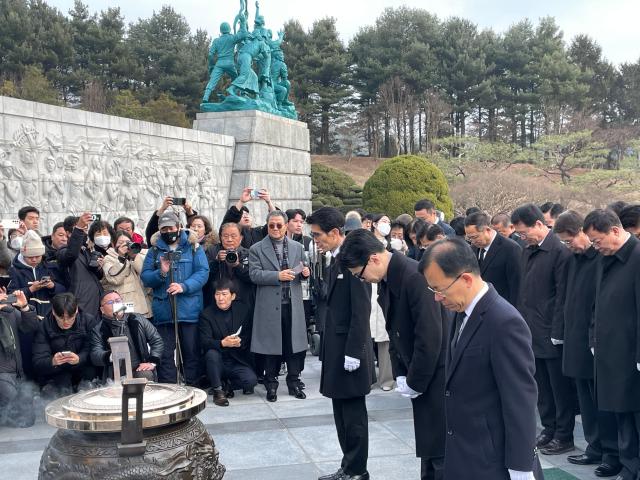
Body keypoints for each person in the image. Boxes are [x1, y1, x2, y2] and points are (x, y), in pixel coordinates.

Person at [421, 238, 541, 480]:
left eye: (439, 289)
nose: (437, 298)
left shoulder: (504, 322)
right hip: (464, 451)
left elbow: (520, 400)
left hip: (493, 461)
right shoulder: (461, 311)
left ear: (465, 279)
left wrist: (520, 465)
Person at [341, 229, 448, 480]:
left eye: (360, 274)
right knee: (429, 445)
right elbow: (395, 331)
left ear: (374, 259)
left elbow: (431, 338)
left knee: (440, 446)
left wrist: (416, 381)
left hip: (437, 374)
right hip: (421, 372)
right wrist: (401, 373)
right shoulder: (391, 278)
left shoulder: (415, 276)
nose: (362, 280)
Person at [308, 207, 375, 480]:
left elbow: (362, 311)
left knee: (354, 415)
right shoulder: (334, 259)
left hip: (350, 350)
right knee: (341, 414)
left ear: (335, 233)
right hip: (336, 348)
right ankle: (348, 465)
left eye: (318, 235)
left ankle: (358, 470)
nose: (315, 240)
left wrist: (354, 353)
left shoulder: (353, 261)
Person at [553, 211, 621, 478]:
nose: (570, 247)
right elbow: (566, 298)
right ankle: (594, 446)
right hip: (575, 338)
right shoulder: (574, 259)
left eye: (571, 241)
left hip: (595, 341)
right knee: (585, 397)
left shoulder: (601, 258)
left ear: (583, 232)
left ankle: (610, 451)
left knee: (601, 400)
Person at [511, 203, 575, 455]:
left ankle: (564, 434)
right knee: (541, 387)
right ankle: (549, 428)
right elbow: (523, 291)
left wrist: (557, 332)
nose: (522, 237)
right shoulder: (528, 250)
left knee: (559, 388)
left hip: (551, 331)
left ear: (539, 224)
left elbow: (562, 297)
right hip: (530, 329)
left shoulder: (559, 251)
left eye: (524, 232)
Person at [584, 209, 640, 480]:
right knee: (618, 411)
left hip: (630, 352)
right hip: (609, 351)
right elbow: (597, 303)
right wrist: (594, 336)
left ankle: (632, 467)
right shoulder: (605, 258)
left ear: (615, 231)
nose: (595, 247)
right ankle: (625, 464)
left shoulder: (637, 257)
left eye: (597, 240)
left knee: (632, 412)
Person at [141, 211, 209, 385]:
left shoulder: (194, 247)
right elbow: (146, 277)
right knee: (165, 354)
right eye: (164, 229)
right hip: (164, 311)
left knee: (191, 352)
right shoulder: (155, 250)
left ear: (179, 227)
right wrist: (161, 272)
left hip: (189, 309)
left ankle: (193, 386)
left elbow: (203, 272)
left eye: (171, 227)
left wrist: (184, 286)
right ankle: (169, 388)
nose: (168, 231)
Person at [249, 211, 309, 402]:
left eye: (278, 225)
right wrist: (277, 276)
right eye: (271, 225)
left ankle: (294, 382)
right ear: (267, 226)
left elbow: (302, 268)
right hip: (269, 306)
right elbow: (254, 275)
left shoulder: (297, 246)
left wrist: (305, 272)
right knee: (270, 347)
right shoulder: (256, 248)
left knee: (294, 346)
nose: (275, 229)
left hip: (293, 304)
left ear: (285, 226)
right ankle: (271, 385)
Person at [199, 279, 257, 406]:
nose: (220, 298)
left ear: (233, 296)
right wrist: (222, 343)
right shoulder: (206, 314)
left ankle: (227, 385)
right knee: (211, 354)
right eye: (217, 294)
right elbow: (204, 341)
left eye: (224, 294)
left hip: (236, 359)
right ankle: (218, 392)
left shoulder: (243, 310)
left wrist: (240, 341)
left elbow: (249, 334)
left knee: (251, 381)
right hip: (217, 361)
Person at [32, 292, 97, 398]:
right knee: (60, 385)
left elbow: (93, 350)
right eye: (61, 317)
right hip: (57, 373)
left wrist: (80, 358)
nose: (66, 322)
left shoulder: (88, 321)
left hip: (84, 371)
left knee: (89, 377)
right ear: (53, 312)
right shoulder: (44, 326)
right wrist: (52, 361)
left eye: (70, 317)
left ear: (76, 310)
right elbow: (38, 361)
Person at [90, 290, 163, 383]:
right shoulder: (98, 329)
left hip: (138, 368)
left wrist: (152, 362)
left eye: (118, 301)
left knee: (145, 375)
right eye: (110, 302)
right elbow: (95, 354)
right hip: (113, 373)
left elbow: (156, 340)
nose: (115, 304)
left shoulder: (137, 319)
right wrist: (111, 356)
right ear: (102, 310)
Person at [464, 212, 522, 306]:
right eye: (470, 238)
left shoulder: (511, 249)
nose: (473, 241)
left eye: (475, 237)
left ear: (487, 230)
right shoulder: (473, 248)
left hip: (502, 307)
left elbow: (517, 286)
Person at [0, 289, 38, 428]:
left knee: (28, 418)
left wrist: (24, 307)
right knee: (18, 413)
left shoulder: (9, 312)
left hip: (17, 371)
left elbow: (30, 327)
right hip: (2, 374)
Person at [57, 212, 105, 318]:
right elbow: (71, 254)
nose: (84, 231)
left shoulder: (87, 250)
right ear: (69, 233)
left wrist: (99, 267)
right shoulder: (62, 251)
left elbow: (95, 275)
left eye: (85, 228)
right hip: (82, 304)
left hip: (97, 301)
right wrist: (79, 227)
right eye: (80, 228)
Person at [102, 231, 152, 319]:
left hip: (147, 308)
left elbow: (146, 274)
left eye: (127, 242)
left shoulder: (140, 254)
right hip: (126, 309)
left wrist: (134, 257)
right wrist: (121, 257)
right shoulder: (108, 258)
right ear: (113, 245)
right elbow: (115, 279)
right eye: (120, 243)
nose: (125, 245)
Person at [204, 222, 253, 308]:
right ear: (220, 237)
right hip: (217, 301)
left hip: (242, 302)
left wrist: (238, 265)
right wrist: (216, 261)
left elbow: (252, 277)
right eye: (225, 236)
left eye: (233, 236)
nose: (229, 239)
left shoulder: (248, 253)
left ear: (241, 238)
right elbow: (204, 276)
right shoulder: (212, 251)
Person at [41, 222, 69, 288]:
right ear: (52, 236)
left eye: (67, 236)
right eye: (61, 235)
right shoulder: (41, 253)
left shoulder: (74, 254)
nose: (64, 239)